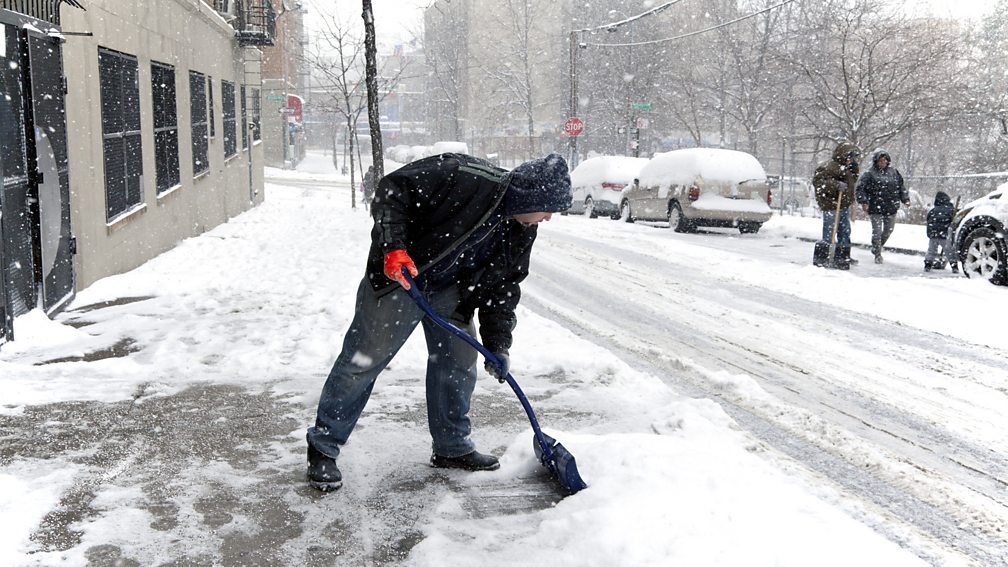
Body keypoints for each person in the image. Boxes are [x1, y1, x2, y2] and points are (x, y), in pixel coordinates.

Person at [305, 152, 573, 492]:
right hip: (402, 278)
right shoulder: (464, 177)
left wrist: (498, 344)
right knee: (364, 359)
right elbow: (392, 191)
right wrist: (393, 247)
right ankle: (323, 447)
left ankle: (451, 446)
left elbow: (503, 289)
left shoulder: (521, 229)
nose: (549, 217)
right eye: (548, 208)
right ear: (531, 197)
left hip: (451, 290)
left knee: (459, 361)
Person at [855, 149, 909, 264]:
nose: (883, 162)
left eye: (884, 160)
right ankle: (878, 253)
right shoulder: (869, 174)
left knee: (889, 230)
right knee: (877, 231)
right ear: (876, 161)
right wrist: (864, 201)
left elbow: (901, 187)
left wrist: (905, 199)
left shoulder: (894, 172)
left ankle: (877, 246)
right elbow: (861, 189)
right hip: (875, 207)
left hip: (891, 206)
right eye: (880, 161)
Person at [813, 142, 860, 270]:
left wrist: (854, 169)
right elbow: (818, 182)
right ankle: (822, 257)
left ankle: (842, 256)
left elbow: (852, 180)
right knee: (829, 232)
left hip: (843, 205)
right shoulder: (829, 166)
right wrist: (835, 185)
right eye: (849, 157)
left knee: (844, 232)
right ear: (843, 155)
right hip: (831, 205)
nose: (851, 160)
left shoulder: (847, 168)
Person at [924, 191, 958, 273]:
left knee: (931, 250)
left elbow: (928, 221)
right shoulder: (951, 210)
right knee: (949, 251)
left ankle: (928, 265)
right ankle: (954, 266)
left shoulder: (932, 210)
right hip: (944, 234)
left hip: (933, 234)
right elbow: (954, 222)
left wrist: (930, 234)